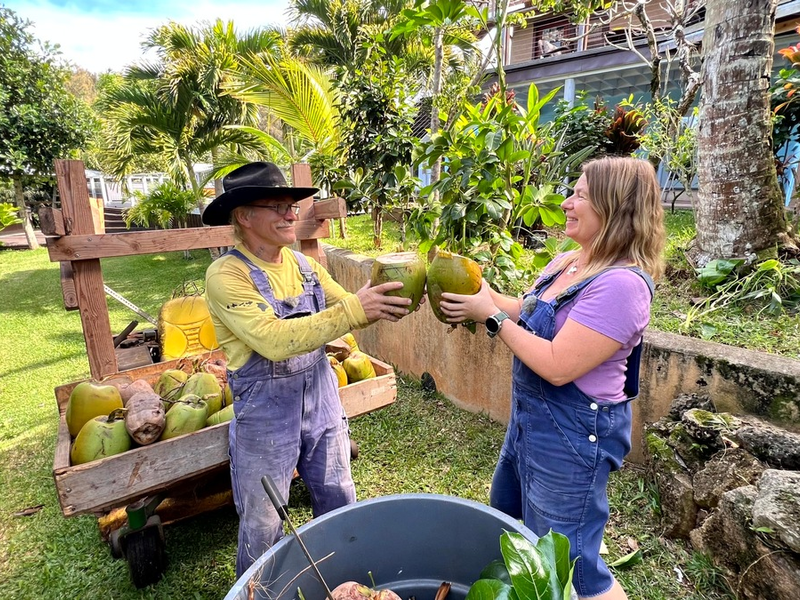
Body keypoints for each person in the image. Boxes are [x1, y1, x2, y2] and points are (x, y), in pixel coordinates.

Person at [439, 156, 665, 600]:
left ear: (614, 206)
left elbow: (559, 365)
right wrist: (487, 300)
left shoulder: (622, 285)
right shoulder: (569, 262)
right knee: (513, 528)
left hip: (574, 436)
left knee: (572, 566)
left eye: (580, 195)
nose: (566, 202)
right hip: (531, 424)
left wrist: (490, 319)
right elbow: (529, 311)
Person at [202, 162, 412, 577]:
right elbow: (274, 341)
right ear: (244, 216)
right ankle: (257, 590)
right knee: (264, 524)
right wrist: (356, 308)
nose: (290, 214)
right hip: (265, 419)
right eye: (278, 206)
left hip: (323, 404)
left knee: (338, 498)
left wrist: (387, 302)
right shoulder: (226, 275)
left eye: (292, 206)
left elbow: (348, 309)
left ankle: (342, 579)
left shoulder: (303, 265)